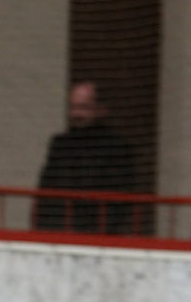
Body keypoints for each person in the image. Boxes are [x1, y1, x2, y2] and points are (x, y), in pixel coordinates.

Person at [34, 80, 136, 234]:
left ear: (101, 109)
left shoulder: (117, 147)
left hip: (96, 234)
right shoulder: (60, 144)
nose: (76, 114)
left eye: (83, 107)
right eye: (73, 107)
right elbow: (46, 188)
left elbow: (120, 199)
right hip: (57, 231)